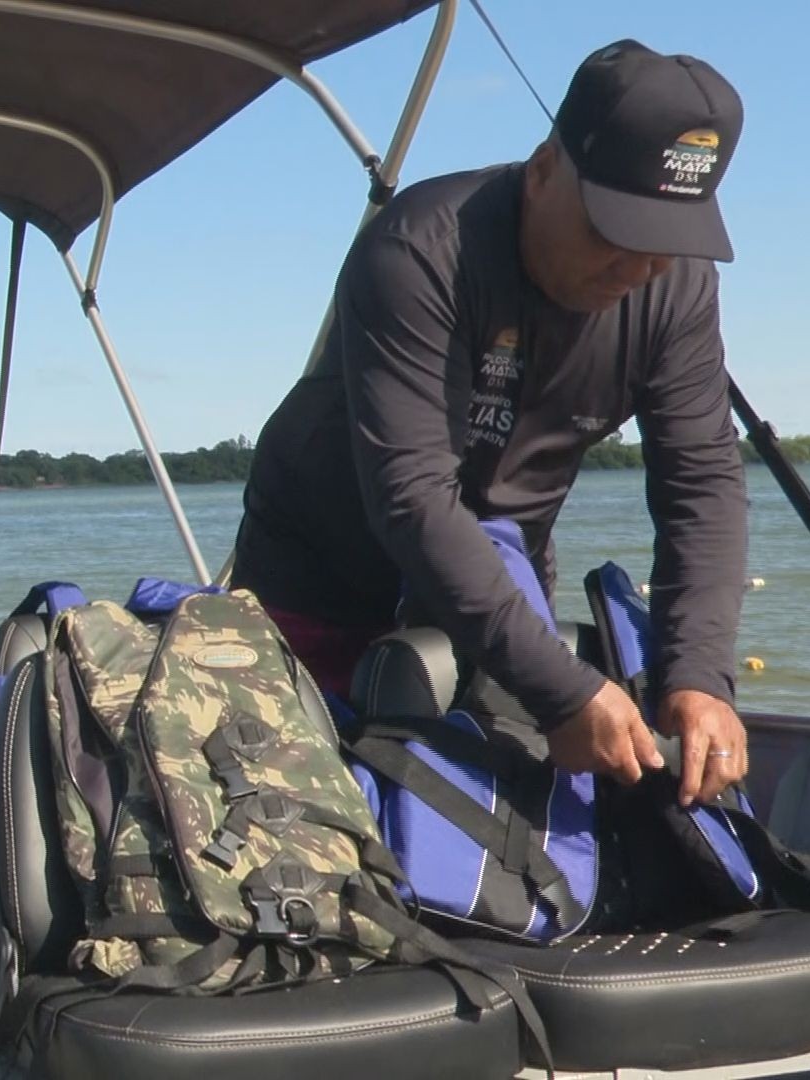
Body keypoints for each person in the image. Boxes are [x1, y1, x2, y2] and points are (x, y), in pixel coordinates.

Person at [232, 40, 750, 809]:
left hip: (498, 581)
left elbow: (701, 480)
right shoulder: (421, 251)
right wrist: (561, 690)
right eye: (618, 229)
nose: (640, 267)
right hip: (322, 577)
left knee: (502, 844)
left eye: (668, 241)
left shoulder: (674, 290)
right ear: (544, 171)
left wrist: (700, 675)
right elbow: (412, 497)